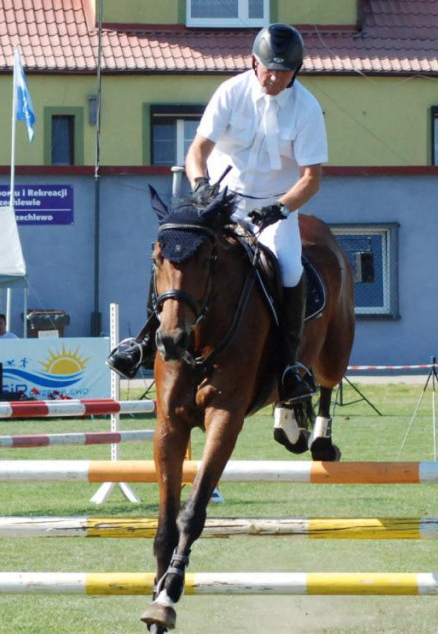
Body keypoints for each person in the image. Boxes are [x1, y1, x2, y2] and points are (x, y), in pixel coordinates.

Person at [108, 23, 326, 404]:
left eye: (284, 71)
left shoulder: (307, 108)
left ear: (297, 71)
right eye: (267, 68)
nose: (274, 77)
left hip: (275, 207)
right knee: (175, 248)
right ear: (253, 62)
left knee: (291, 270)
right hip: (220, 199)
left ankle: (290, 366)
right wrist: (201, 185)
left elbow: (311, 178)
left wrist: (281, 207)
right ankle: (143, 340)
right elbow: (198, 151)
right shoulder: (231, 91)